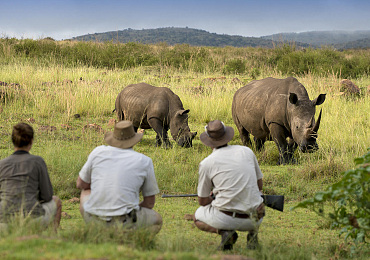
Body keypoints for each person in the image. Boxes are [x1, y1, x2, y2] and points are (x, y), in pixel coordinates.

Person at [76, 120, 162, 234]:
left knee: (85, 191)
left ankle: (95, 231)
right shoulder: (144, 161)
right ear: (134, 140)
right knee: (157, 220)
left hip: (93, 217)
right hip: (125, 220)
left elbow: (81, 184)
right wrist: (132, 208)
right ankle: (135, 241)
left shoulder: (98, 152)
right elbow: (149, 203)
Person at [193, 120, 265, 250]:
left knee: (197, 217)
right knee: (256, 200)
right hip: (255, 219)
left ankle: (225, 233)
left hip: (225, 218)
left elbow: (202, 201)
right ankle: (253, 235)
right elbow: (259, 184)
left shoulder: (207, 163)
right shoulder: (246, 151)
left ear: (208, 141)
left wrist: (212, 197)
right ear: (227, 135)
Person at [0, 123, 62, 230]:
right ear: (31, 141)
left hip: (4, 222)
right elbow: (47, 196)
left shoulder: (2, 164)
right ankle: (53, 239)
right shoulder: (37, 162)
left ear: (13, 140)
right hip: (32, 219)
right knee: (56, 201)